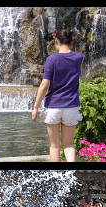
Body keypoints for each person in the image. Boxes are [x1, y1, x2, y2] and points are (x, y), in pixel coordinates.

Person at [31, 28, 84, 162]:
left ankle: (57, 177)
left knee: (54, 146)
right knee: (69, 145)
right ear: (71, 42)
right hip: (71, 107)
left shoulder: (51, 59)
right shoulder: (78, 58)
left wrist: (36, 107)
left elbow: (44, 85)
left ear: (56, 41)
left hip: (53, 106)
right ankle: (70, 175)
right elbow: (68, 54)